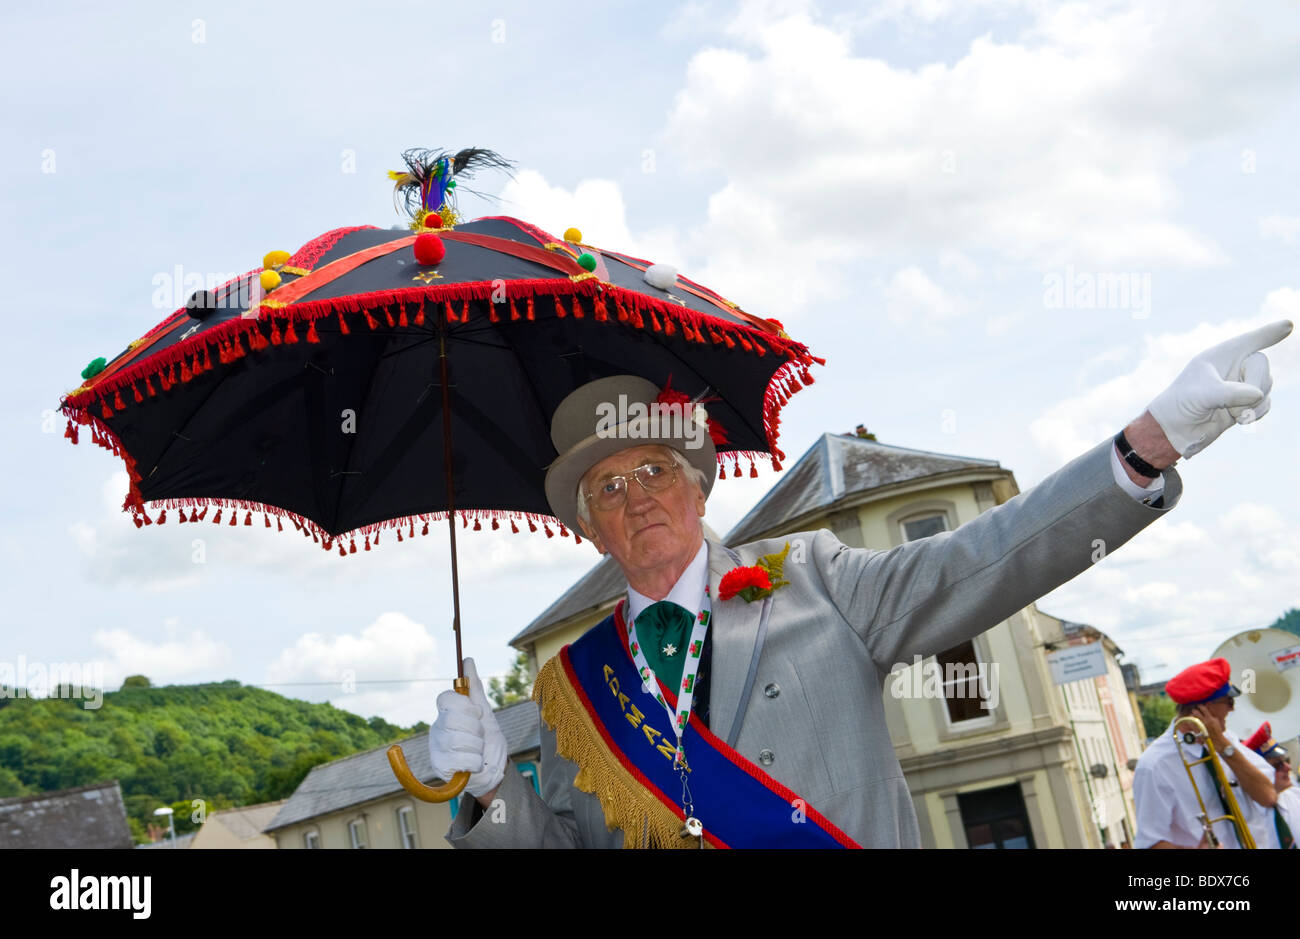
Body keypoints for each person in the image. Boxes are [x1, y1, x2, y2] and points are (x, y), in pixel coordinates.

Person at [431, 320, 1291, 848]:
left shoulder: (817, 580)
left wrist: (1147, 444)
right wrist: (490, 791)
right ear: (589, 528)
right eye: (607, 489)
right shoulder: (572, 687)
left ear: (699, 486)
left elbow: (985, 558)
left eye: (655, 468)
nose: (638, 497)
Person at [1133, 658, 1281, 848]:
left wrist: (1223, 747)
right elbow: (1149, 843)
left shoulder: (1227, 739)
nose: (1232, 708)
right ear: (1203, 709)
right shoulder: (1153, 765)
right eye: (1228, 701)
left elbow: (1268, 796)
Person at [1244, 721, 1299, 848]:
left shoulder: (1296, 795)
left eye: (1286, 761)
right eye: (1278, 765)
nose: (1288, 767)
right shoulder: (1246, 812)